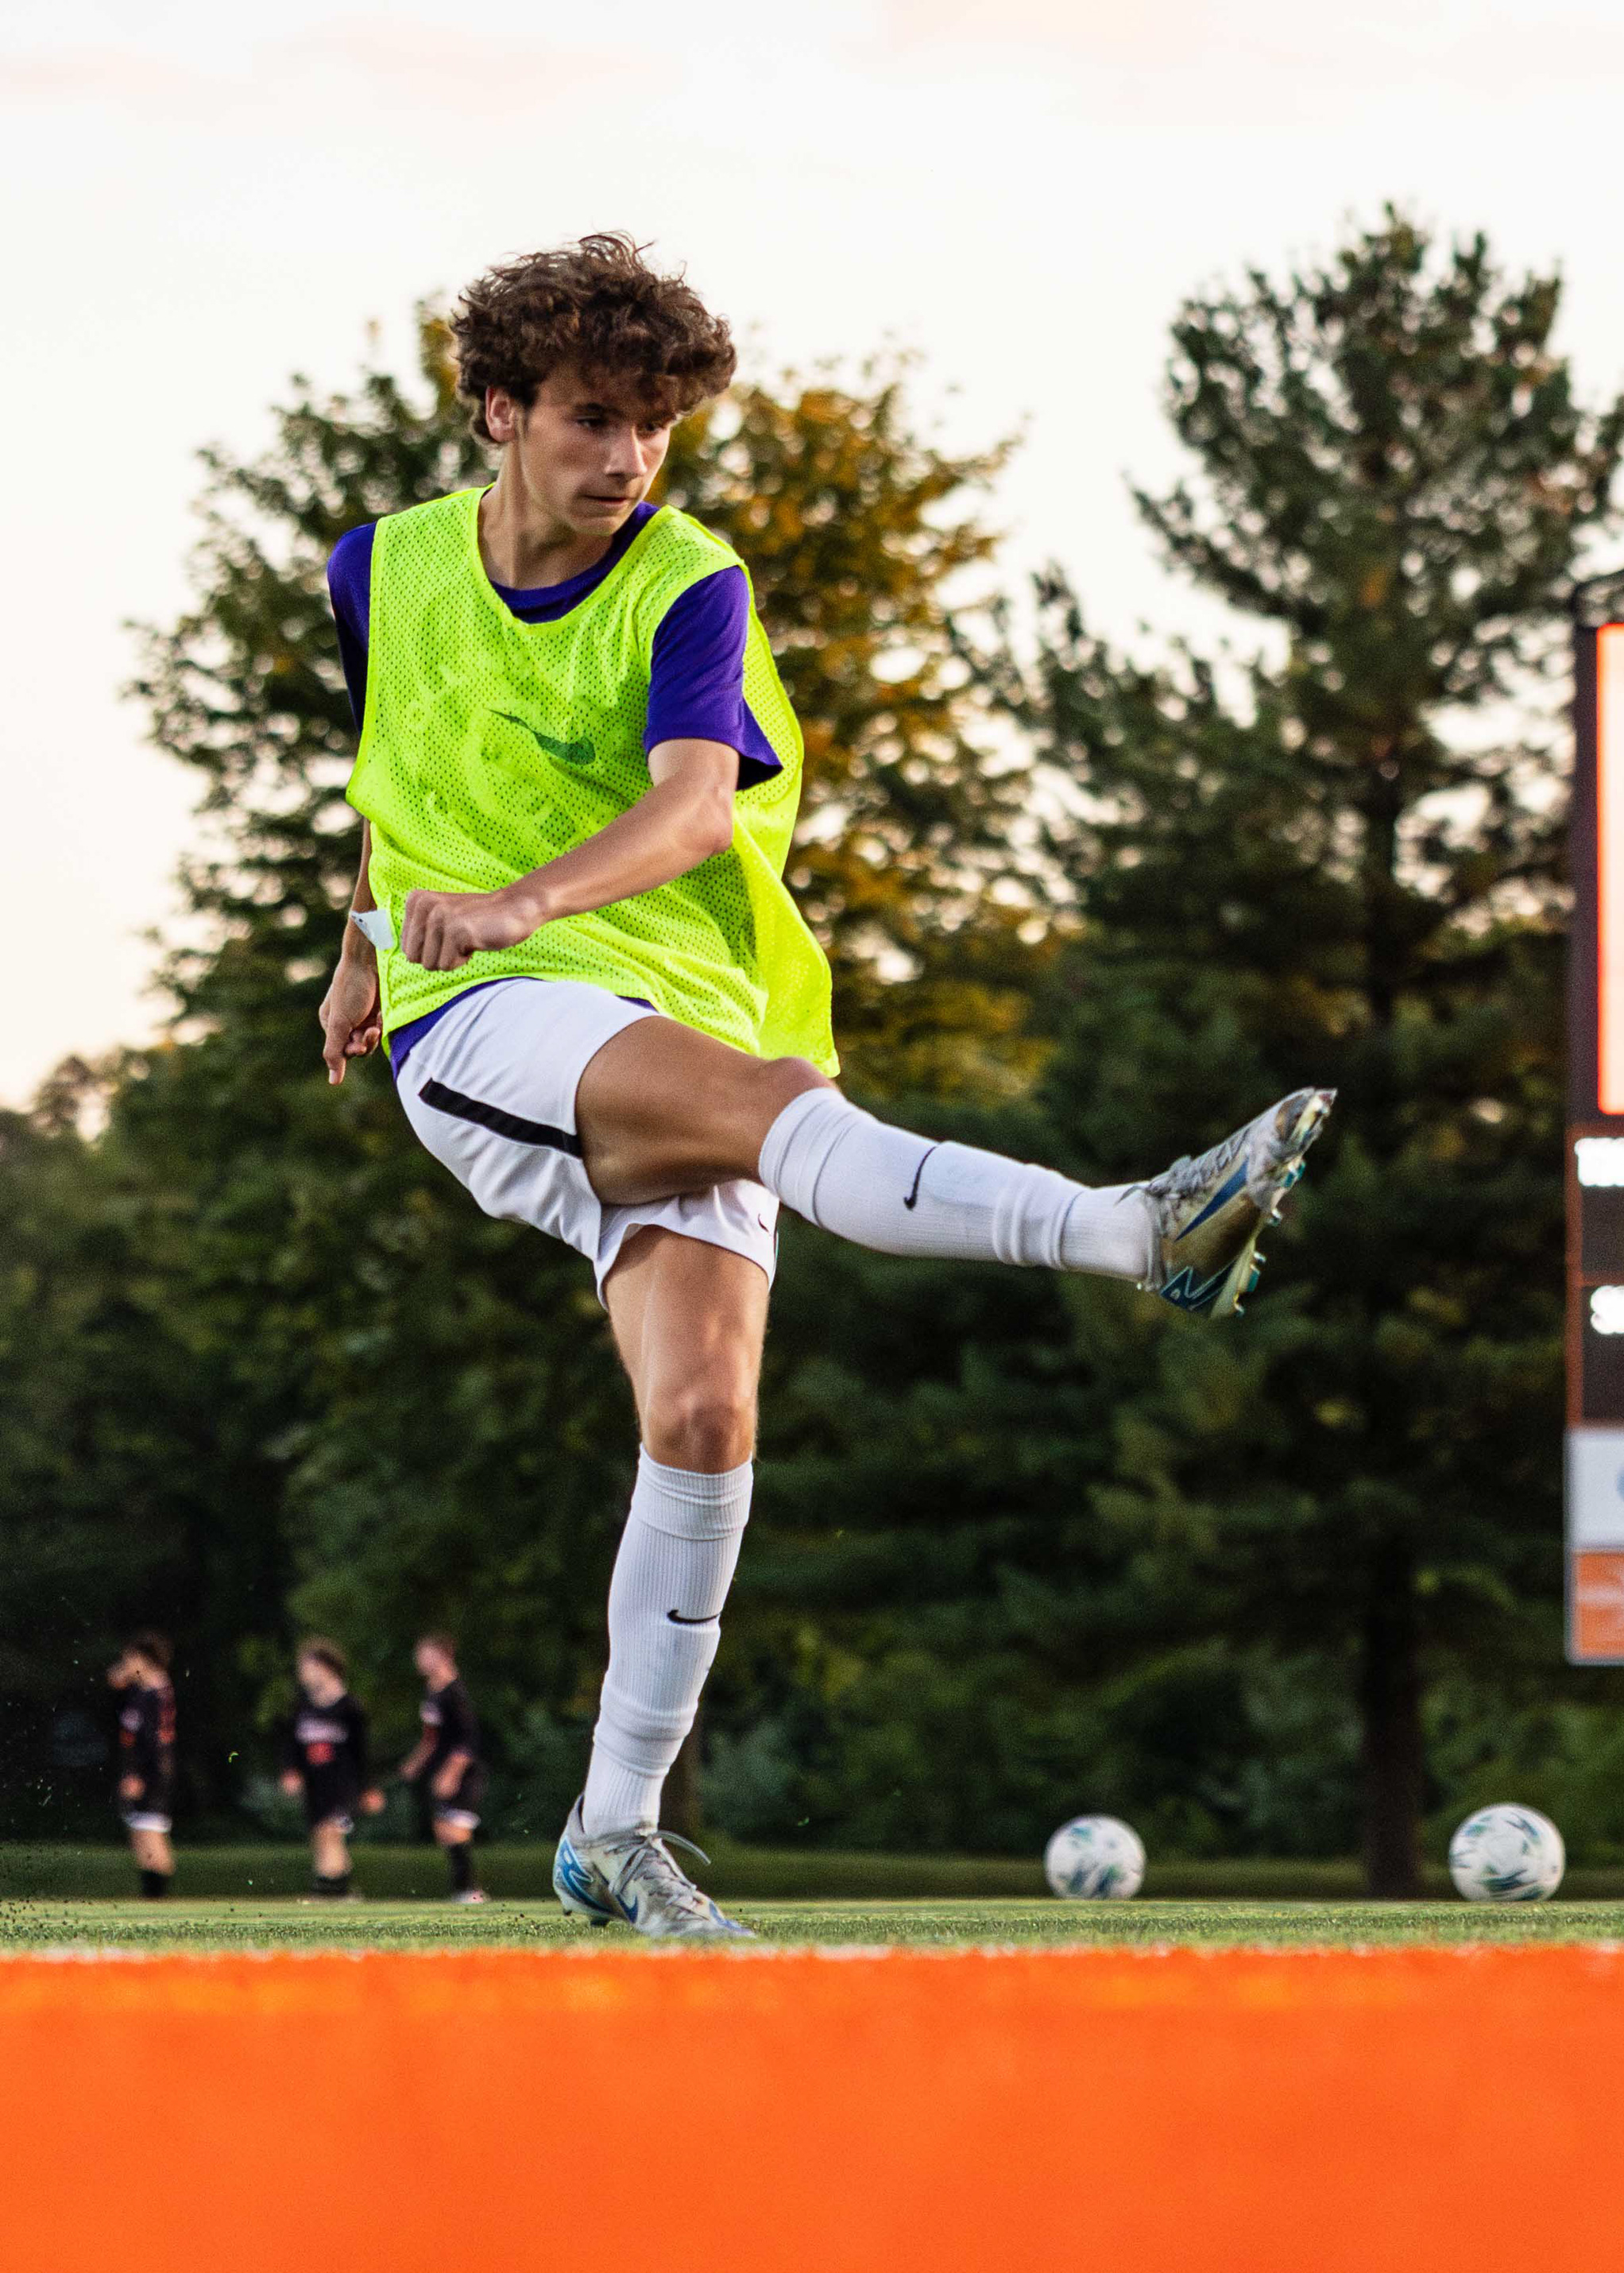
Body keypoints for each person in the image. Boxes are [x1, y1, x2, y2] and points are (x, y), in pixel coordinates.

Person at [316, 237, 1331, 1937]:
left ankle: (612, 1833)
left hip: (673, 996)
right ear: (497, 409)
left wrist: (520, 894)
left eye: (653, 425)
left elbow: (693, 807)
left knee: (705, 1421)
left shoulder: (689, 579)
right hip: (483, 1005)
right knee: (784, 1123)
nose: (627, 457)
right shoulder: (381, 566)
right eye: (589, 418)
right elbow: (397, 765)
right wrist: (373, 936)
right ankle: (1138, 1232)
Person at [279, 1640, 382, 1899]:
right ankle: (339, 1887)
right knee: (320, 1834)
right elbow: (292, 1745)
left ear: (327, 1667)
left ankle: (328, 1887)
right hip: (315, 1783)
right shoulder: (302, 1707)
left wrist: (369, 1787)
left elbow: (362, 1751)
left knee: (331, 1831)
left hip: (342, 1783)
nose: (303, 1673)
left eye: (309, 1666)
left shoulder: (350, 1708)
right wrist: (291, 1771)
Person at [401, 1632, 489, 1904]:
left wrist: (451, 1773)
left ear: (443, 1655)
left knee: (455, 1828)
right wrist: (415, 1762)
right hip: (441, 1769)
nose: (419, 1660)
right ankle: (461, 1889)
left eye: (425, 1654)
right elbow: (431, 1738)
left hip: (462, 1772)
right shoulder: (432, 1692)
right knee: (443, 1828)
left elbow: (467, 1740)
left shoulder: (455, 1693)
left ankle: (470, 1890)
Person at [107, 1632, 177, 1899]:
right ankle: (151, 1896)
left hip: (152, 1770)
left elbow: (154, 1741)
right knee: (139, 1834)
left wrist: (140, 1775)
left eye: (131, 1658)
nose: (126, 1664)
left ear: (145, 1660)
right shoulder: (141, 1692)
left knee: (151, 1833)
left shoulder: (157, 1694)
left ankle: (158, 1898)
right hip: (138, 1768)